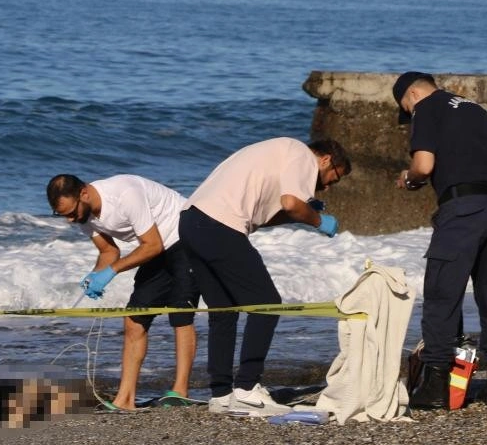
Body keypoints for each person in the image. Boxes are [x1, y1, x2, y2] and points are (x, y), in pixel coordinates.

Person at [178, 138, 348, 417]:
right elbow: (291, 202)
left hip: (190, 221)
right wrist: (319, 222)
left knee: (224, 310)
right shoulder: (302, 154)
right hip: (219, 225)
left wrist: (302, 215)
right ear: (326, 160)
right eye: (333, 178)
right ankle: (247, 388)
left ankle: (221, 394)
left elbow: (265, 217)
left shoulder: (276, 155)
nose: (327, 186)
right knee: (267, 303)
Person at [392, 72, 487, 409]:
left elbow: (424, 164)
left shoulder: (426, 108)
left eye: (406, 107)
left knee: (441, 294)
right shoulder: (475, 109)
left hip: (464, 210)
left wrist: (409, 178)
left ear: (413, 93)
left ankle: (435, 386)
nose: (409, 116)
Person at [46, 173, 198, 410]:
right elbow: (109, 253)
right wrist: (95, 276)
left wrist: (112, 272)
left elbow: (153, 245)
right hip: (156, 247)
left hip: (185, 235)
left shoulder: (125, 194)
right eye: (63, 215)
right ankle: (125, 399)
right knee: (134, 320)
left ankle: (180, 392)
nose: (70, 220)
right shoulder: (83, 216)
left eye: (71, 213)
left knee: (180, 314)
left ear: (84, 194)